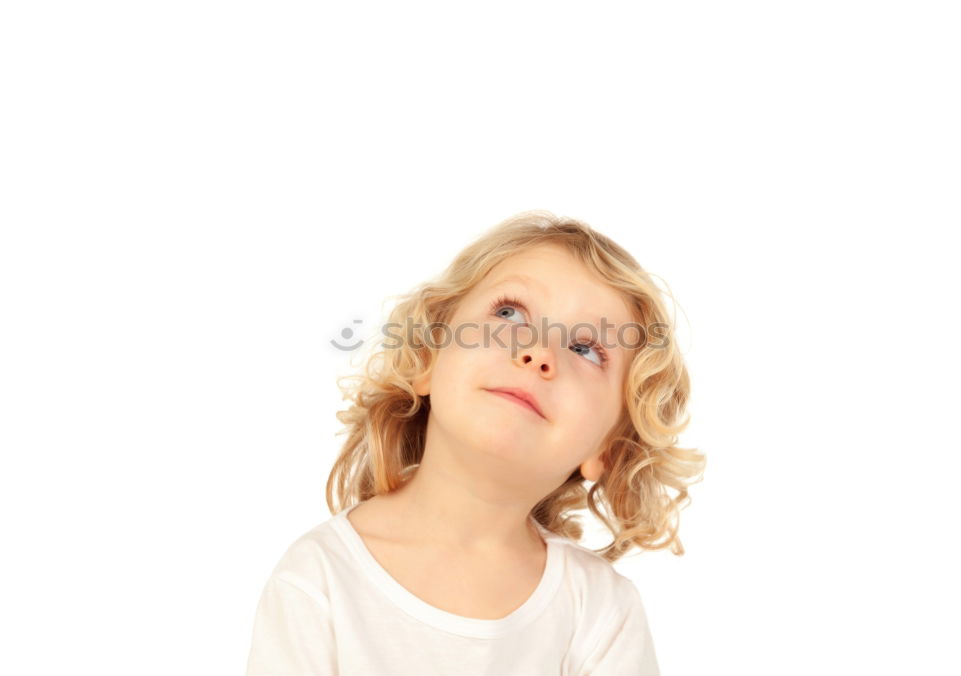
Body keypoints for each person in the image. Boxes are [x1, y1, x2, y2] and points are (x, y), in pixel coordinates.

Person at [245, 210, 706, 675]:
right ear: (428, 356)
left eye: (586, 349)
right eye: (509, 313)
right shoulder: (319, 579)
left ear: (606, 448)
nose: (538, 353)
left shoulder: (601, 612)